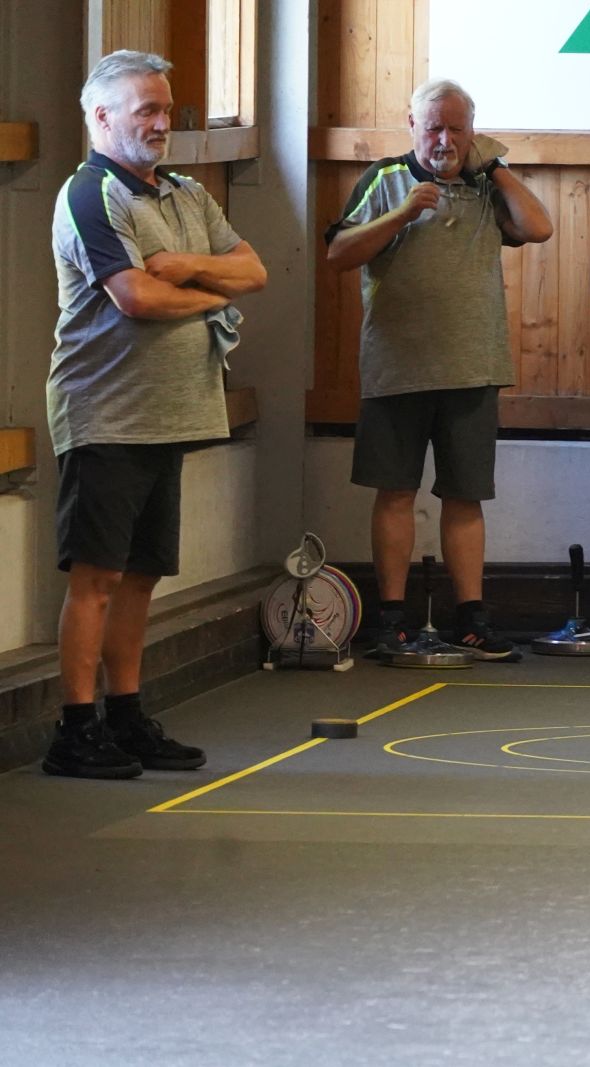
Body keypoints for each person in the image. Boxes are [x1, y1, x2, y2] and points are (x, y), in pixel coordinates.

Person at [45, 51, 267, 779]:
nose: (161, 122)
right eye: (146, 110)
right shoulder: (89, 194)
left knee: (141, 575)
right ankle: (75, 729)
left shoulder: (185, 194)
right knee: (97, 578)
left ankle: (126, 715)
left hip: (171, 414)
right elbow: (135, 297)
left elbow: (255, 269)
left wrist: (190, 266)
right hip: (106, 413)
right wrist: (214, 293)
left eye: (165, 109)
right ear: (101, 117)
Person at [326, 79, 553, 661]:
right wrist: (403, 213)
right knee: (395, 493)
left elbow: (538, 227)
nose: (445, 140)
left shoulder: (485, 186)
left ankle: (472, 619)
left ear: (473, 132)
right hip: (396, 369)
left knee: (465, 497)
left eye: (457, 129)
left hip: (473, 368)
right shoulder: (383, 178)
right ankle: (392, 620)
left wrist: (495, 167)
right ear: (412, 126)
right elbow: (338, 254)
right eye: (434, 128)